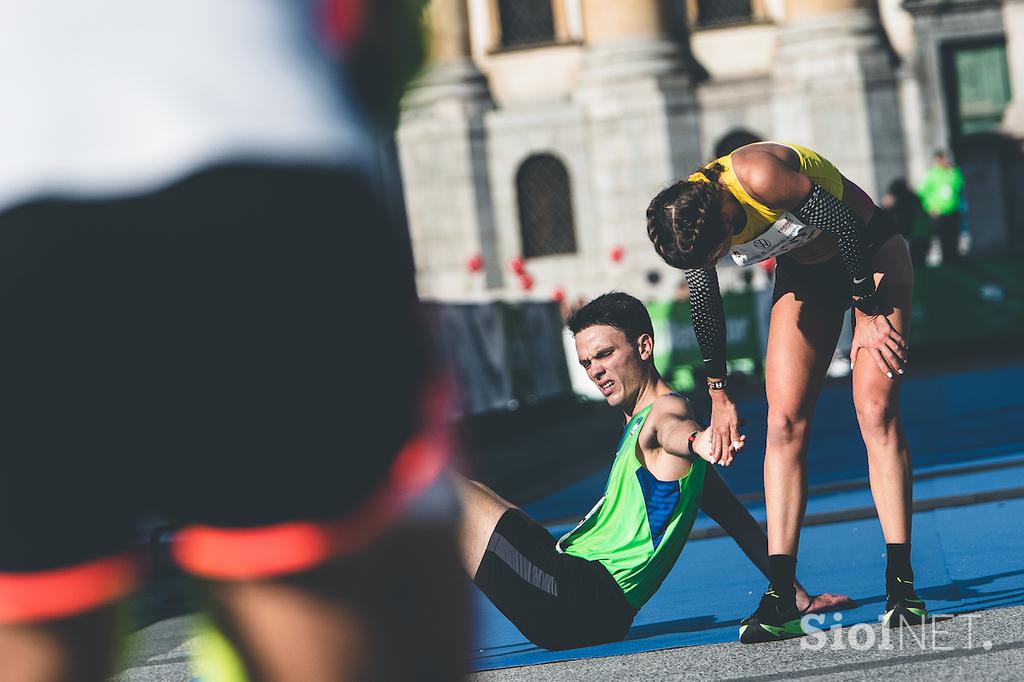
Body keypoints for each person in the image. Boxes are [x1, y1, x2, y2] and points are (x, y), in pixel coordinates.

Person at [0, 2, 465, 681]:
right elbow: (381, 39)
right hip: (264, 157)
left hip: (20, 193)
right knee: (344, 616)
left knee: (32, 630)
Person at [455, 293, 850, 651]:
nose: (595, 371)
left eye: (606, 354)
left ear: (644, 346)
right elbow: (736, 520)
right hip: (592, 606)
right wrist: (793, 593)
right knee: (470, 492)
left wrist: (700, 441)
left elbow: (677, 432)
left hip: (572, 597)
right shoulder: (641, 422)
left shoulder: (664, 412)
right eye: (586, 363)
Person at [646, 141, 927, 643]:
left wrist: (866, 313)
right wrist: (719, 392)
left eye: (714, 256)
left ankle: (901, 587)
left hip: (871, 253)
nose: (712, 266)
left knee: (874, 409)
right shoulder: (688, 217)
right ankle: (781, 595)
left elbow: (845, 226)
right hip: (807, 275)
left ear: (727, 222)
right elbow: (705, 302)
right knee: (783, 422)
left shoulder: (758, 177)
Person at [917, 150, 966, 264]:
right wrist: (929, 208)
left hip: (952, 212)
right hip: (937, 214)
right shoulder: (932, 174)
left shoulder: (954, 172)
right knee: (940, 241)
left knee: (953, 241)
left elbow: (960, 186)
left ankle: (953, 262)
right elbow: (922, 193)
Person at [882, 178, 931, 267]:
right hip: (922, 233)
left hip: (916, 234)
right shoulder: (913, 198)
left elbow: (904, 220)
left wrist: (886, 207)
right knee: (919, 263)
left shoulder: (905, 201)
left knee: (915, 264)